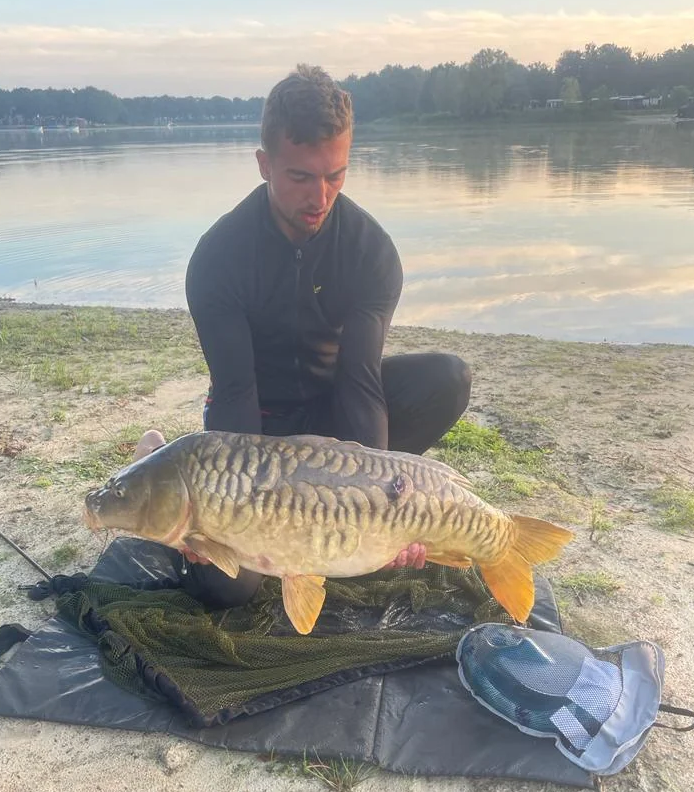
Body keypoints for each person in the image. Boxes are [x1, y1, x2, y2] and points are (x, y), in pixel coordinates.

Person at [135, 64, 471, 608]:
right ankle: (165, 463)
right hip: (258, 425)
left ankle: (346, 521)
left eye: (335, 175)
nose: (320, 196)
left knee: (447, 378)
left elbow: (361, 382)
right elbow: (235, 391)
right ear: (265, 164)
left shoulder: (371, 250)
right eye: (300, 177)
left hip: (334, 408)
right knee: (228, 588)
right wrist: (225, 515)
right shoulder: (218, 258)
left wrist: (380, 503)